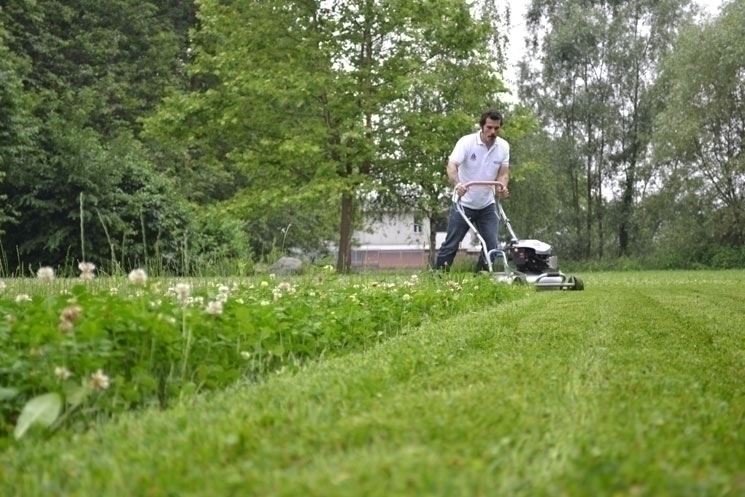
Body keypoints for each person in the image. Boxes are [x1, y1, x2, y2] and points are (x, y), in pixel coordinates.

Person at [434, 109, 510, 271]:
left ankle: (482, 278)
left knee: (492, 245)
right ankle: (437, 278)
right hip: (464, 204)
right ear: (482, 126)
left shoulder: (503, 146)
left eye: (496, 128)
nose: (492, 132)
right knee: (451, 244)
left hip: (486, 204)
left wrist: (502, 187)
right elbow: (451, 166)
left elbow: (503, 173)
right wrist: (458, 184)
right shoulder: (466, 142)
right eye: (489, 127)